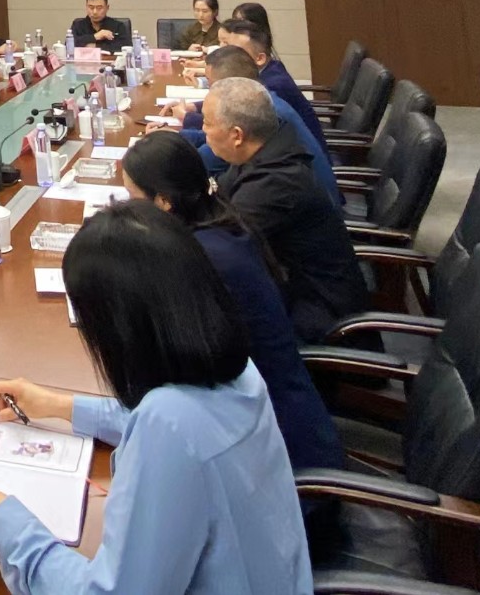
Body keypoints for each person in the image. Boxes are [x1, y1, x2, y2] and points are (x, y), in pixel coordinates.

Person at [0, 203, 312, 594]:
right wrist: (59, 406)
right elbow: (183, 430)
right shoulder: (234, 368)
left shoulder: (170, 423)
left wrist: (3, 522)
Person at [120, 132, 344, 475]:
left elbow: (173, 395)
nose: (127, 207)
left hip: (274, 456)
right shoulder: (219, 224)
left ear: (163, 202)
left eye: (132, 197)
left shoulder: (206, 260)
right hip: (270, 419)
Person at [203, 78, 368, 343]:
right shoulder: (267, 147)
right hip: (288, 284)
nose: (203, 130)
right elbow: (219, 198)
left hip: (318, 310)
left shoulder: (276, 184)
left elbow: (218, 243)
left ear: (237, 135)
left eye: (207, 123)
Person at [167, 47, 341, 206]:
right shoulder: (263, 102)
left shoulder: (265, 181)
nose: (209, 90)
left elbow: (201, 163)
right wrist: (176, 136)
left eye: (211, 84)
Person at [219, 19, 326, 150]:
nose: (228, 57)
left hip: (302, 155)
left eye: (237, 52)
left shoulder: (272, 87)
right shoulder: (271, 68)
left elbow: (236, 124)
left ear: (260, 58)